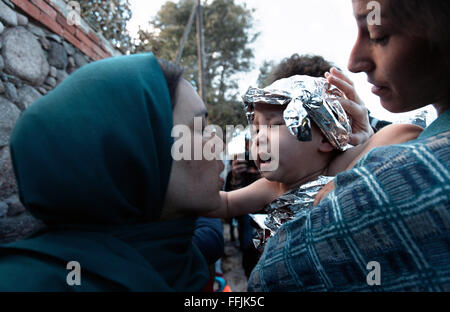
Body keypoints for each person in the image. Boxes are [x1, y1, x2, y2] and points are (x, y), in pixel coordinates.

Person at [248, 0, 450, 291]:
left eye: (378, 35)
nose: (354, 61)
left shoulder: (398, 174)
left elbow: (265, 282)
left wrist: (368, 159)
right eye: (257, 127)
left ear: (326, 140)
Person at [0, 52, 225, 291]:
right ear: (136, 151)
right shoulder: (35, 283)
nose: (218, 144)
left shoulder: (179, 260)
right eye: (200, 128)